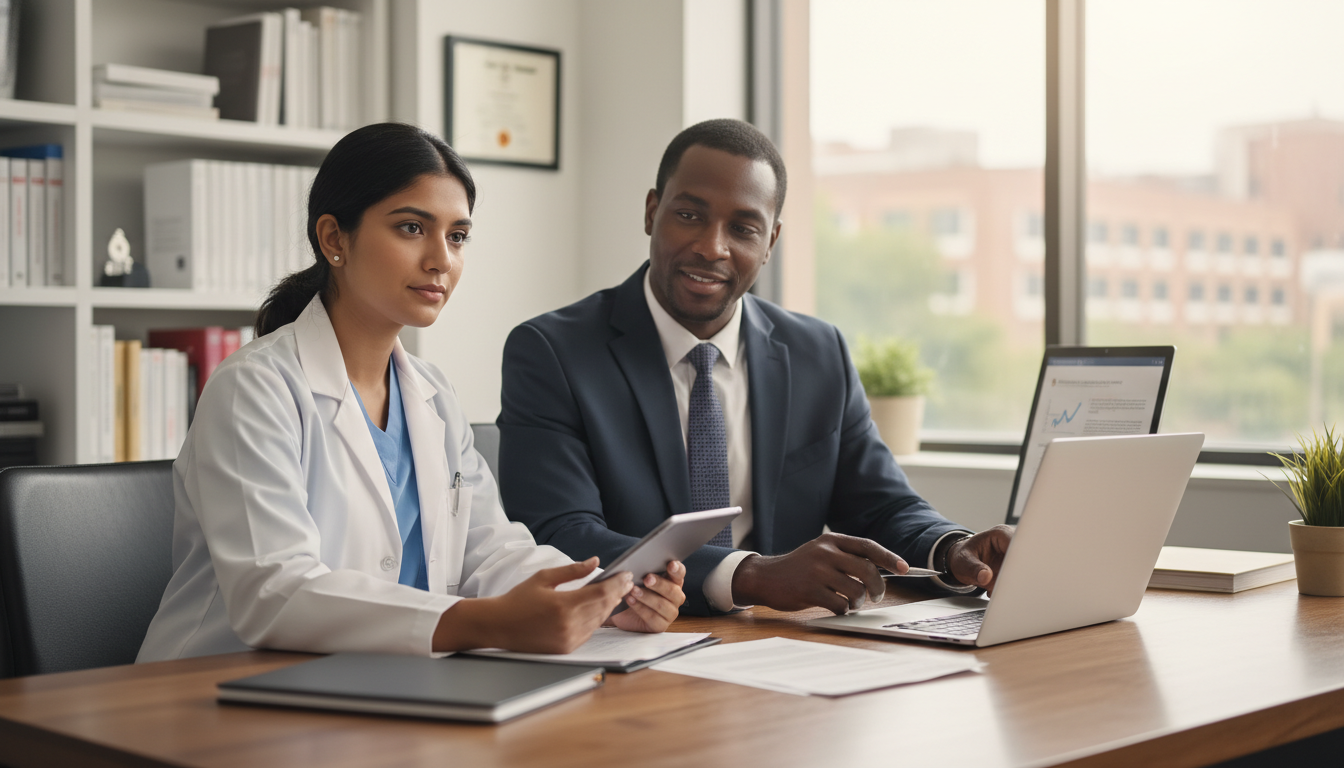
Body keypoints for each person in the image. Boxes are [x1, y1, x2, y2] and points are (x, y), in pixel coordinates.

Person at [137, 123, 684, 662]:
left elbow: (487, 549)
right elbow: (273, 592)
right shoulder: (254, 389)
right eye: (411, 228)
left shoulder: (431, 392)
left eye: (458, 236)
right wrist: (482, 621)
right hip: (217, 689)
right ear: (334, 239)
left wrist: (602, 599)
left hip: (378, 684)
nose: (441, 259)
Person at [497, 118, 1013, 617]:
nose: (712, 247)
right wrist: (749, 576)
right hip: (633, 647)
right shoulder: (553, 352)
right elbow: (560, 535)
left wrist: (953, 550)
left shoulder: (817, 352)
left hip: (780, 651)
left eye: (743, 228)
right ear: (652, 211)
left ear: (770, 242)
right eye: (689, 215)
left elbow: (882, 507)